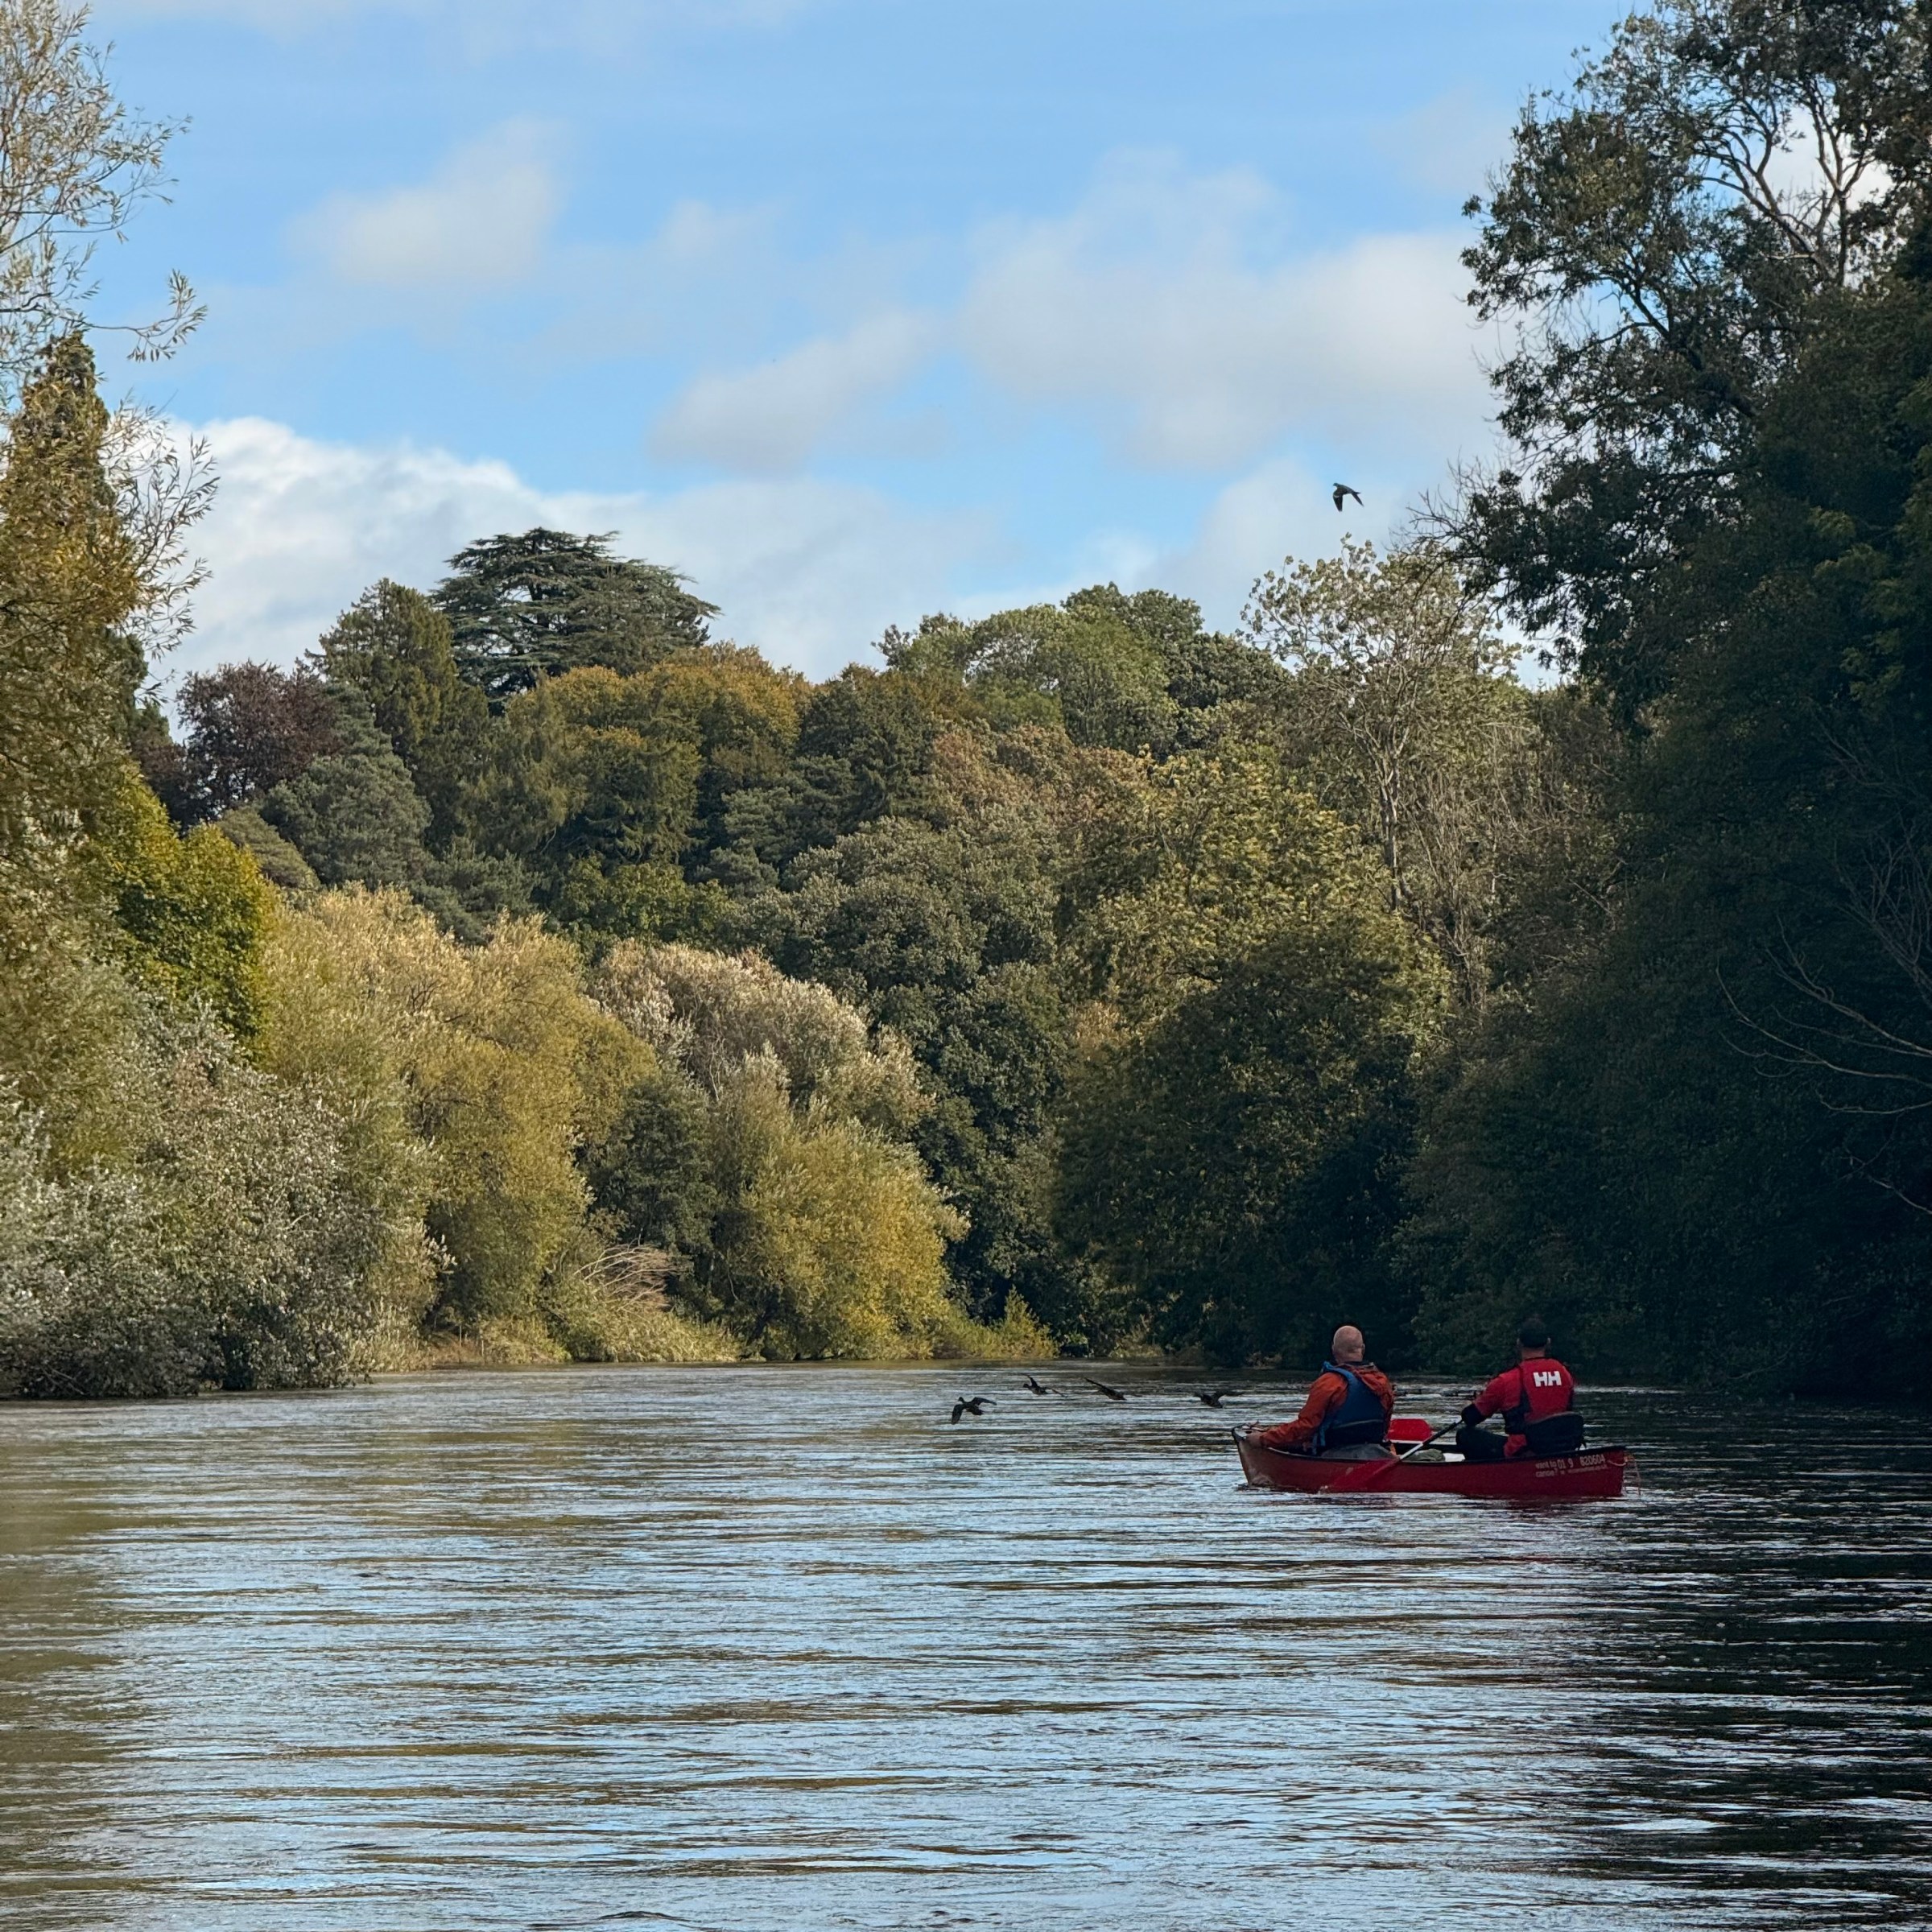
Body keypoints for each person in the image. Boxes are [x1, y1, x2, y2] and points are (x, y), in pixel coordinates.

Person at [1249, 1326, 1394, 1459]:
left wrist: (1264, 1439)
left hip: (1334, 1456)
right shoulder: (1381, 1382)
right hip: (1376, 1454)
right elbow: (1384, 1428)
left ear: (1334, 1350)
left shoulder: (1328, 1384)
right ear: (1362, 1349)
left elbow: (1305, 1427)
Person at [1456, 1319, 1584, 1461]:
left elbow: (1471, 1418)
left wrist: (1469, 1406)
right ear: (1548, 1342)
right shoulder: (1564, 1374)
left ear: (1519, 1343)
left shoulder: (1505, 1381)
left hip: (1523, 1451)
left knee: (1465, 1435)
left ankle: (1484, 1477)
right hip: (1562, 1449)